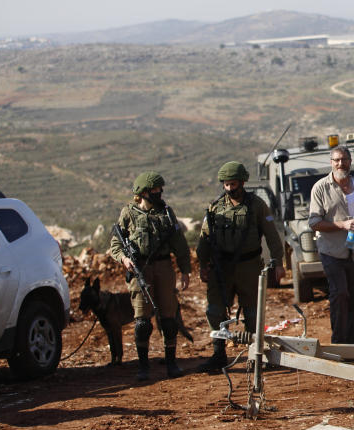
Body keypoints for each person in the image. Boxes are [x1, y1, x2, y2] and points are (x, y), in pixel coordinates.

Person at [196, 161, 285, 372]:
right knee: (215, 310)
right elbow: (204, 239)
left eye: (233, 184)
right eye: (226, 185)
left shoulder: (257, 205)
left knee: (253, 312)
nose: (229, 188)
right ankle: (219, 353)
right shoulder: (215, 208)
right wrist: (203, 265)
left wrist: (279, 263)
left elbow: (272, 236)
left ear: (243, 182)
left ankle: (255, 354)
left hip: (248, 266)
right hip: (221, 268)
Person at [108, 171, 191, 380]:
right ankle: (143, 367)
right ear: (143, 193)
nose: (159, 193)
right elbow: (116, 245)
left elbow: (180, 244)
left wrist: (185, 270)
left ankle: (171, 363)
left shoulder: (166, 213)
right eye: (154, 190)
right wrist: (124, 260)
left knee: (169, 318)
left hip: (164, 267)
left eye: (160, 189)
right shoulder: (128, 214)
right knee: (142, 321)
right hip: (140, 269)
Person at [308, 146, 354, 344]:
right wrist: (342, 224)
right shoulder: (320, 188)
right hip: (331, 251)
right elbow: (314, 223)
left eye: (344, 160)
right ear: (331, 162)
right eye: (336, 160)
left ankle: (350, 341)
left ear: (350, 161)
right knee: (340, 293)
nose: (340, 164)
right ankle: (338, 342)